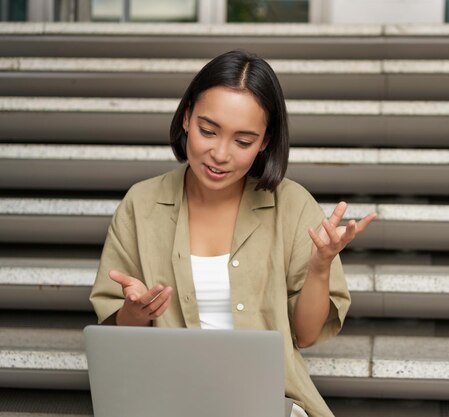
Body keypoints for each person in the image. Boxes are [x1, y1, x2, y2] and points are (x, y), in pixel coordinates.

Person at [89, 50, 376, 417]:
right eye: (208, 131)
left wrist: (321, 265)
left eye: (243, 141)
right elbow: (118, 335)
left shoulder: (292, 205)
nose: (220, 154)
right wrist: (135, 310)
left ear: (266, 141)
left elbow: (304, 336)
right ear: (187, 116)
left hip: (266, 402)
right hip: (167, 399)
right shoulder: (141, 204)